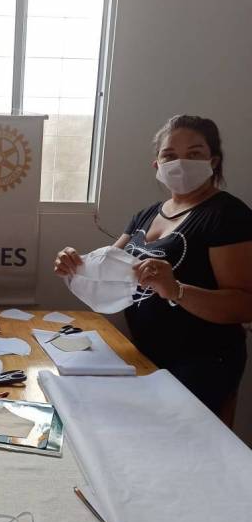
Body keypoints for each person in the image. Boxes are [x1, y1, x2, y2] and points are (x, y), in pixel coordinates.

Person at [54, 114, 252, 420]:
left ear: (213, 161)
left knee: (183, 443)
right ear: (157, 165)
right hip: (145, 353)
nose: (181, 163)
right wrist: (75, 263)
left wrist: (176, 290)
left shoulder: (227, 215)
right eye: (169, 155)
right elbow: (106, 269)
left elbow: (244, 305)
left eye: (194, 154)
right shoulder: (145, 215)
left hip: (202, 363)